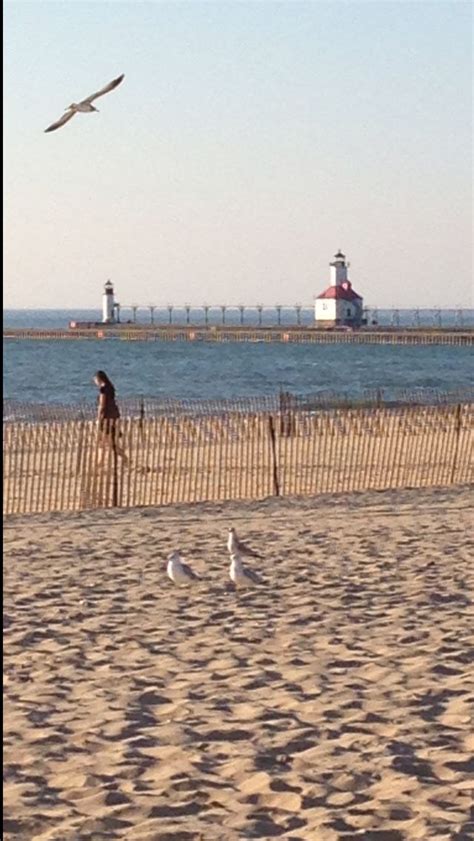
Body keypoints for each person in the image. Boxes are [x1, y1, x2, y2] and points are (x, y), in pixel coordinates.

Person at [93, 370, 128, 464]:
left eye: (95, 380)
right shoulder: (111, 387)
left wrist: (99, 417)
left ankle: (122, 457)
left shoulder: (103, 389)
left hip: (105, 417)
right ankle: (101, 461)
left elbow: (102, 404)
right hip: (113, 416)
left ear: (98, 379)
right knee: (107, 440)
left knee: (104, 440)